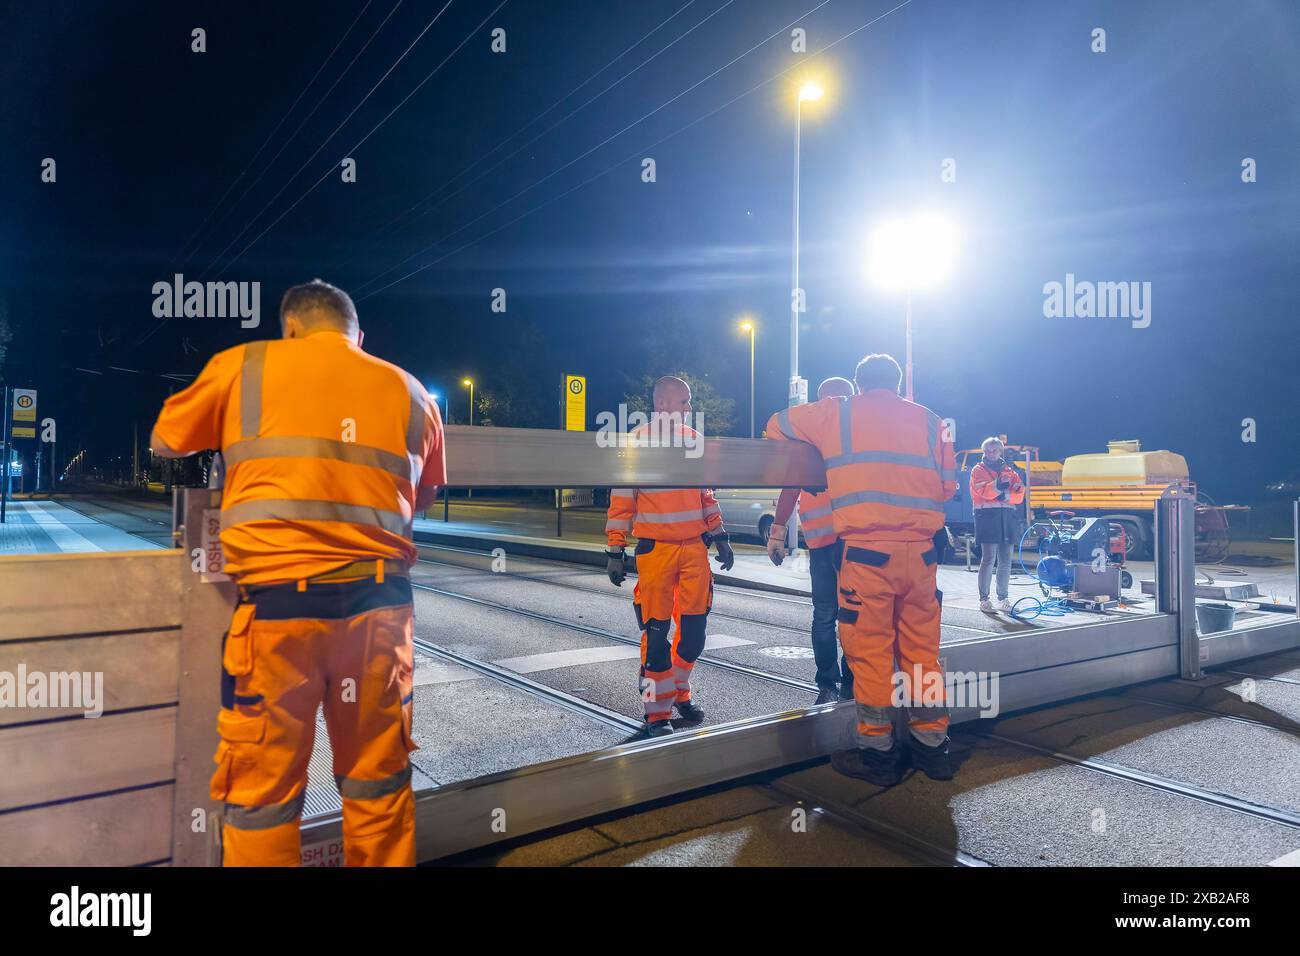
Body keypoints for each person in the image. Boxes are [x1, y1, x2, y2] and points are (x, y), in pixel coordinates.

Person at [150, 279, 445, 866]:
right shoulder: (411, 391)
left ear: (290, 327)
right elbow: (426, 494)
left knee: (263, 794)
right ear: (356, 335)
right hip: (379, 613)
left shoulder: (245, 366)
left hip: (278, 614)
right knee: (378, 782)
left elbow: (165, 440)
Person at [766, 354, 957, 786]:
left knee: (869, 653)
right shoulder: (931, 420)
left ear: (858, 384)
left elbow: (775, 425)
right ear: (899, 381)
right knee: (922, 653)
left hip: (868, 556)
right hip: (922, 555)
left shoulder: (837, 412)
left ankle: (878, 754)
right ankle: (933, 749)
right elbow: (947, 485)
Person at [604, 376, 735, 739]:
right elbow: (621, 502)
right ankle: (655, 712)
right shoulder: (636, 444)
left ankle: (676, 691)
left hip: (694, 549)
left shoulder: (695, 442)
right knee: (656, 640)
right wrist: (615, 548)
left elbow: (705, 494)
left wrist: (720, 534)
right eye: (684, 402)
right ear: (662, 404)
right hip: (656, 551)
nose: (689, 408)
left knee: (693, 636)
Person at [766, 376, 856, 704]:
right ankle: (846, 682)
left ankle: (832, 684)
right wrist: (776, 533)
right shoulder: (854, 438)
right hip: (848, 542)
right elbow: (791, 488)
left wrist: (777, 535)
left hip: (832, 543)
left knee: (827, 615)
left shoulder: (805, 441)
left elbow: (790, 488)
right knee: (848, 614)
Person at [970, 437, 1025, 614]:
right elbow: (982, 491)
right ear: (983, 452)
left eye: (994, 450)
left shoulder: (1010, 471)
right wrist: (1000, 488)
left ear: (1000, 451)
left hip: (1007, 518)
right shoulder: (978, 470)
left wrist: (1001, 494)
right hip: (987, 518)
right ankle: (984, 600)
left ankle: (1003, 599)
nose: (990, 453)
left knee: (1006, 561)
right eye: (987, 450)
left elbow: (1020, 493)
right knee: (988, 559)